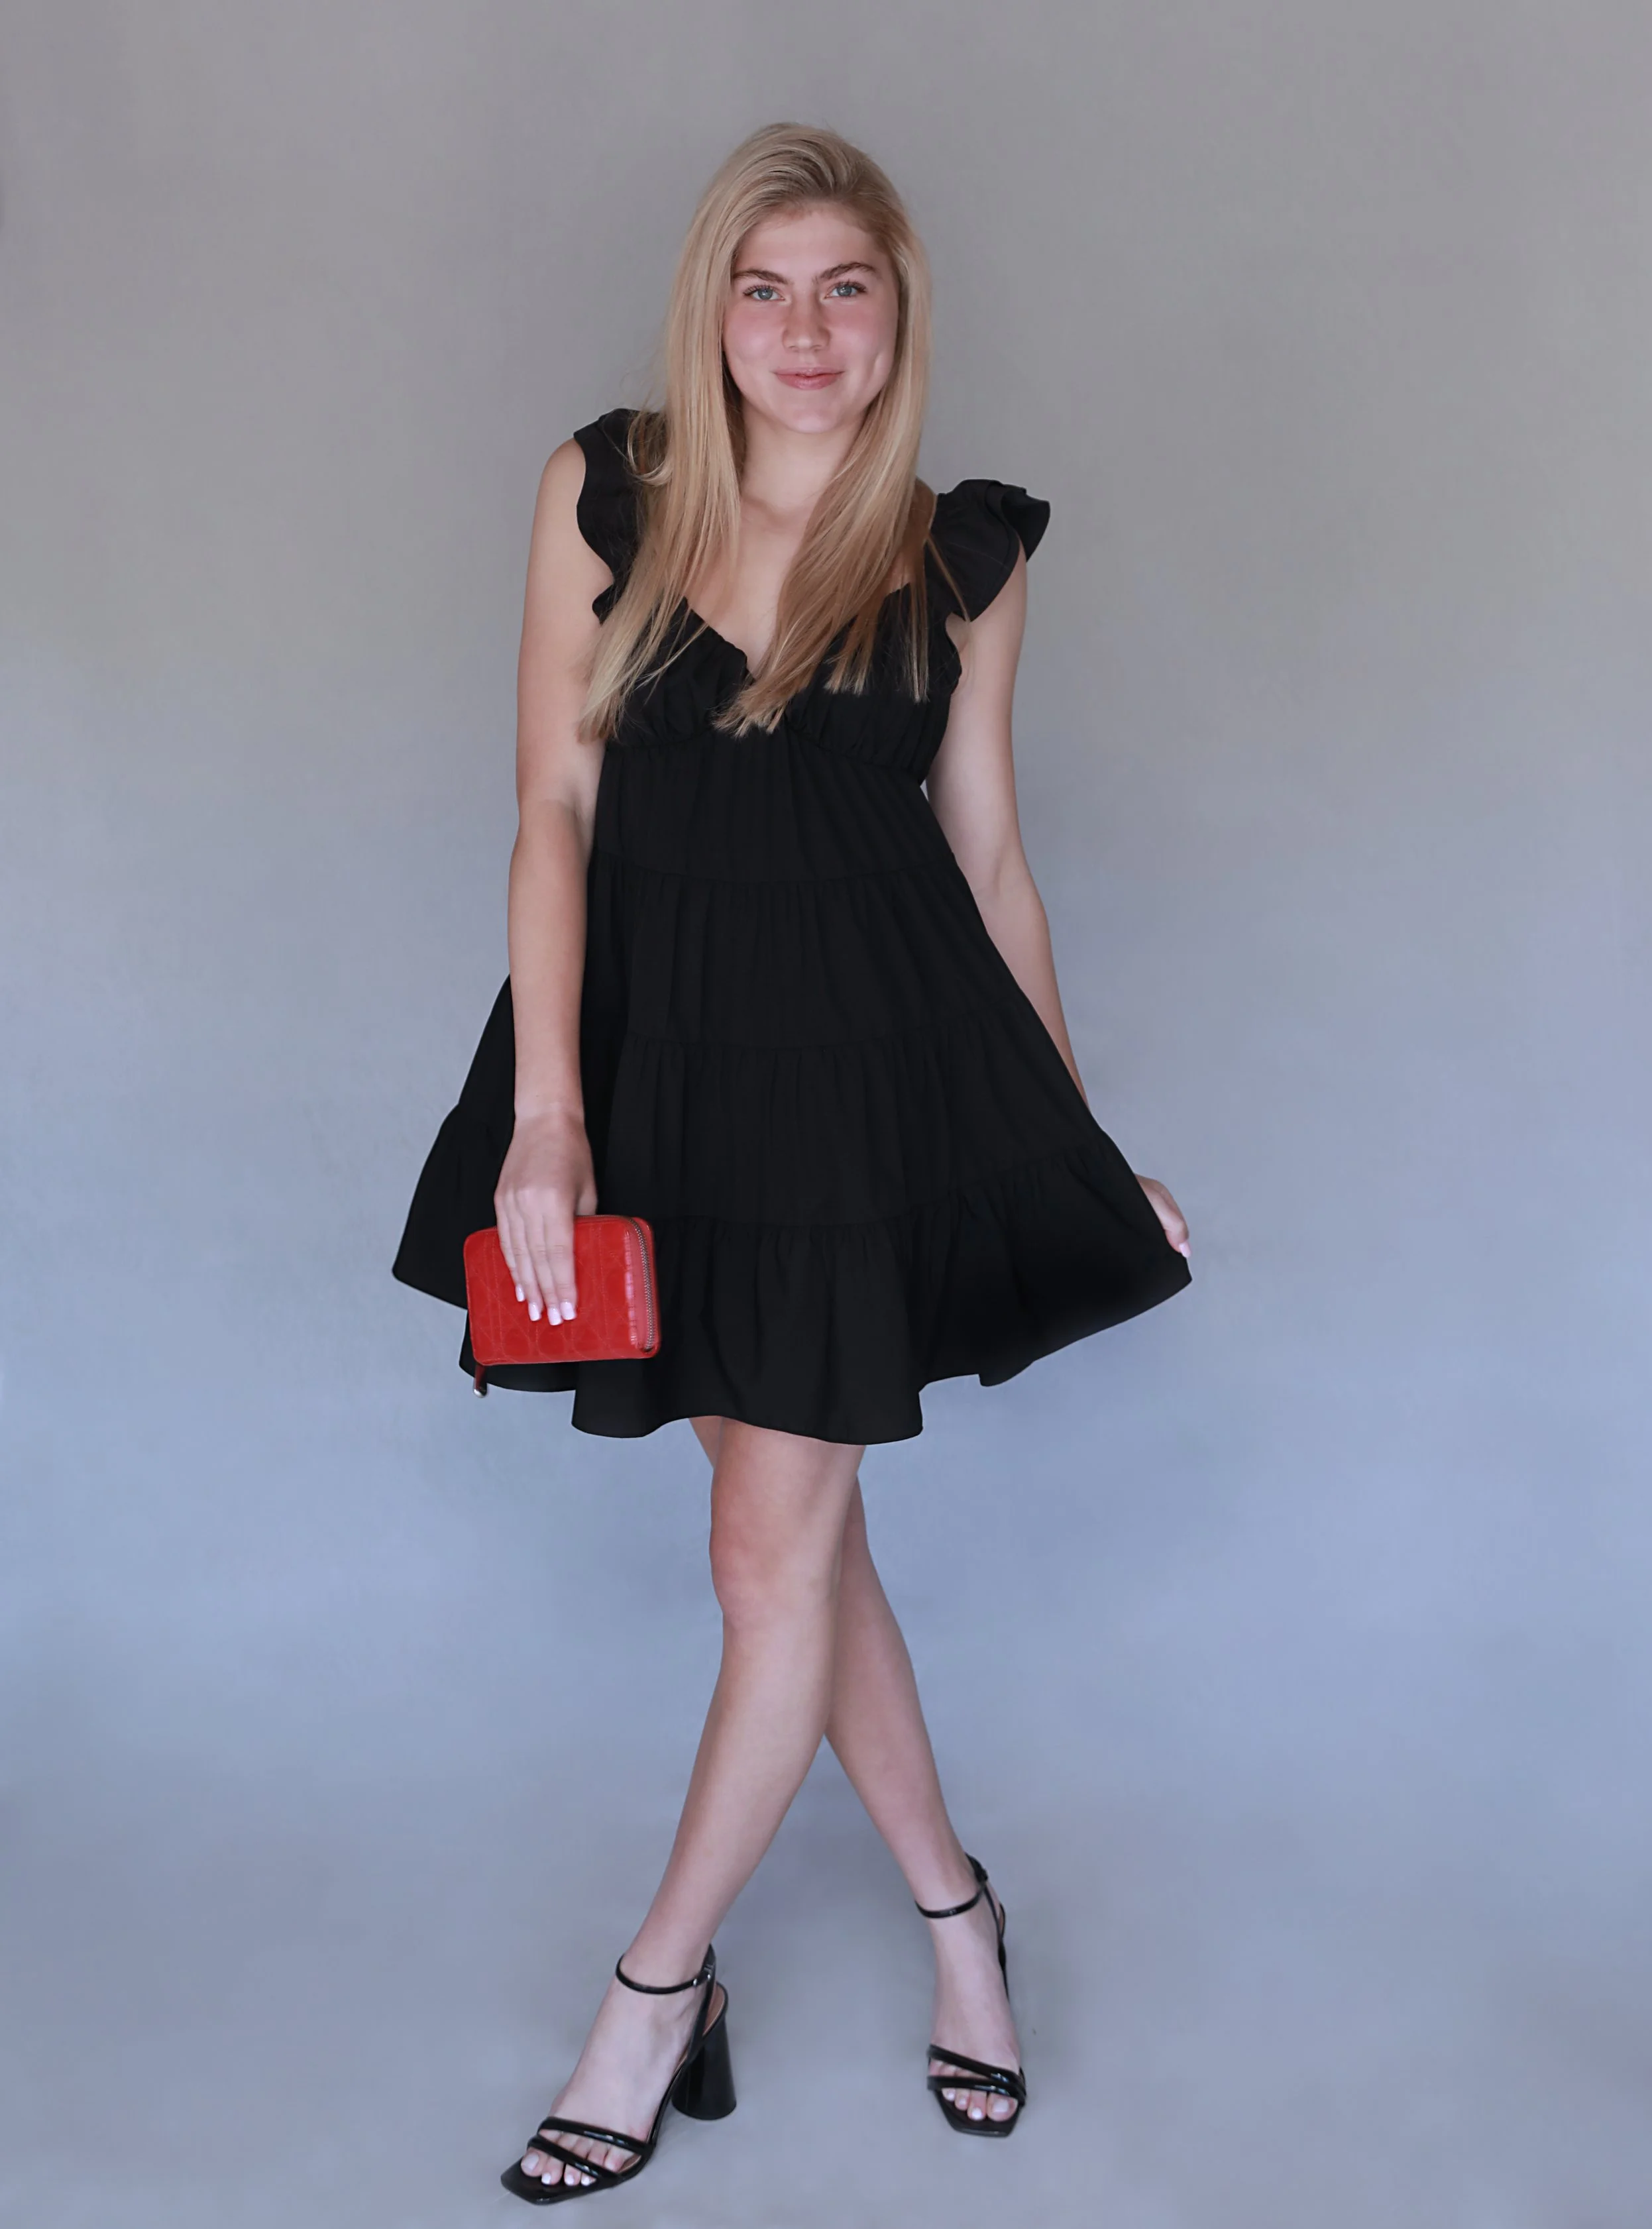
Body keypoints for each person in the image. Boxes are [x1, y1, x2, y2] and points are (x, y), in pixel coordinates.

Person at [392, 120, 1192, 2203]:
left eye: (846, 286)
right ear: (709, 309)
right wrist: (550, 1109)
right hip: (650, 1079)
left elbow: (987, 859)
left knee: (767, 1556)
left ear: (897, 314)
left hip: (860, 1099)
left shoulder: (960, 555)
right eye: (764, 286)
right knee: (801, 1550)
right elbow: (550, 810)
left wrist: (1071, 1146)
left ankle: (656, 1992)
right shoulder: (608, 489)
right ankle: (957, 1918)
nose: (803, 328)